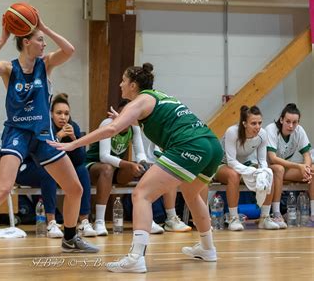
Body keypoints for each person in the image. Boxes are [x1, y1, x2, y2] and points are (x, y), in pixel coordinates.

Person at [49, 62, 223, 273]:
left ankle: (136, 257)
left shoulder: (139, 101)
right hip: (212, 145)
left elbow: (111, 129)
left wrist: (74, 143)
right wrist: (124, 118)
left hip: (190, 145)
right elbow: (148, 120)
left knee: (141, 194)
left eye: (123, 80)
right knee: (191, 193)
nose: (120, 84)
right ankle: (207, 248)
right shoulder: (157, 96)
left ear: (133, 85)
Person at [0, 16, 99, 262]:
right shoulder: (9, 69)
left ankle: (70, 237)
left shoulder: (46, 64)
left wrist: (44, 27)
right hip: (17, 133)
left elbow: (69, 50)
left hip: (43, 135)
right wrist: (2, 39)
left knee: (75, 188)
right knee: (2, 189)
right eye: (40, 40)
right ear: (26, 42)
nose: (44, 44)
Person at [16, 93, 96, 238]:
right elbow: (42, 155)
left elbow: (80, 160)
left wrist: (74, 139)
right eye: (59, 113)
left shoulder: (73, 127)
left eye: (66, 113)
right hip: (28, 166)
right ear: (51, 114)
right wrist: (58, 136)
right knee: (48, 171)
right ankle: (51, 222)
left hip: (54, 168)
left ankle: (84, 220)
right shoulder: (43, 127)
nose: (63, 117)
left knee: (82, 170)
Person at [86, 99, 165, 235]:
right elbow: (103, 157)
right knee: (107, 168)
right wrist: (129, 164)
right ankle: (99, 221)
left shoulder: (134, 128)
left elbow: (140, 152)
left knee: (146, 169)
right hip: (94, 167)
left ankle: (148, 220)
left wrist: (143, 164)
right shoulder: (108, 124)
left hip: (115, 169)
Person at [212, 105, 281, 231]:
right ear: (244, 123)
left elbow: (262, 160)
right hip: (222, 164)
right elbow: (231, 161)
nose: (258, 127)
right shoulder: (232, 132)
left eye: (260, 123)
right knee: (234, 175)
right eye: (253, 123)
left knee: (269, 172)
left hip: (246, 164)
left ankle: (264, 218)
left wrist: (262, 171)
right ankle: (234, 218)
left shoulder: (262, 134)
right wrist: (251, 171)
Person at [266, 103, 314, 226]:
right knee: (279, 168)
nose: (291, 125)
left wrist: (306, 169)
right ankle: (276, 213)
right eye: (288, 121)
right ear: (281, 119)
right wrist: (299, 166)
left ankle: (312, 214)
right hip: (266, 168)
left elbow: (307, 155)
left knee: (313, 170)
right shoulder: (271, 129)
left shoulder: (299, 131)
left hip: (285, 168)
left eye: (295, 122)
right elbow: (272, 158)